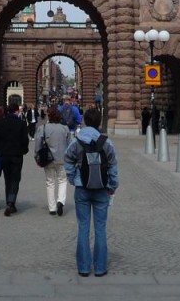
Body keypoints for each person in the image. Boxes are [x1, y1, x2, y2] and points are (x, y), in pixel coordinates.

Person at [64, 107, 118, 278]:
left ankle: (84, 268)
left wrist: (74, 179)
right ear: (99, 122)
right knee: (100, 228)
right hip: (102, 189)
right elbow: (113, 166)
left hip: (82, 188)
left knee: (83, 227)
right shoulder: (107, 142)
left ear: (85, 121)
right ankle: (100, 268)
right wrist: (112, 185)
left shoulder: (77, 141)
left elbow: (68, 160)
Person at [0, 102, 30, 216]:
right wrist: (24, 150)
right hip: (17, 155)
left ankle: (9, 203)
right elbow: (25, 140)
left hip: (4, 155)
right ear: (16, 111)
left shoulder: (0, 123)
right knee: (15, 179)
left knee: (7, 179)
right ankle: (11, 203)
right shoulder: (21, 123)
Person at [37, 105, 72, 215]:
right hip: (62, 159)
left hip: (48, 159)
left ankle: (52, 208)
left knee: (50, 182)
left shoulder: (43, 128)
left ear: (49, 117)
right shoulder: (65, 129)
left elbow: (37, 145)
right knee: (62, 181)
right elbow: (70, 145)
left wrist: (36, 158)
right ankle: (60, 202)